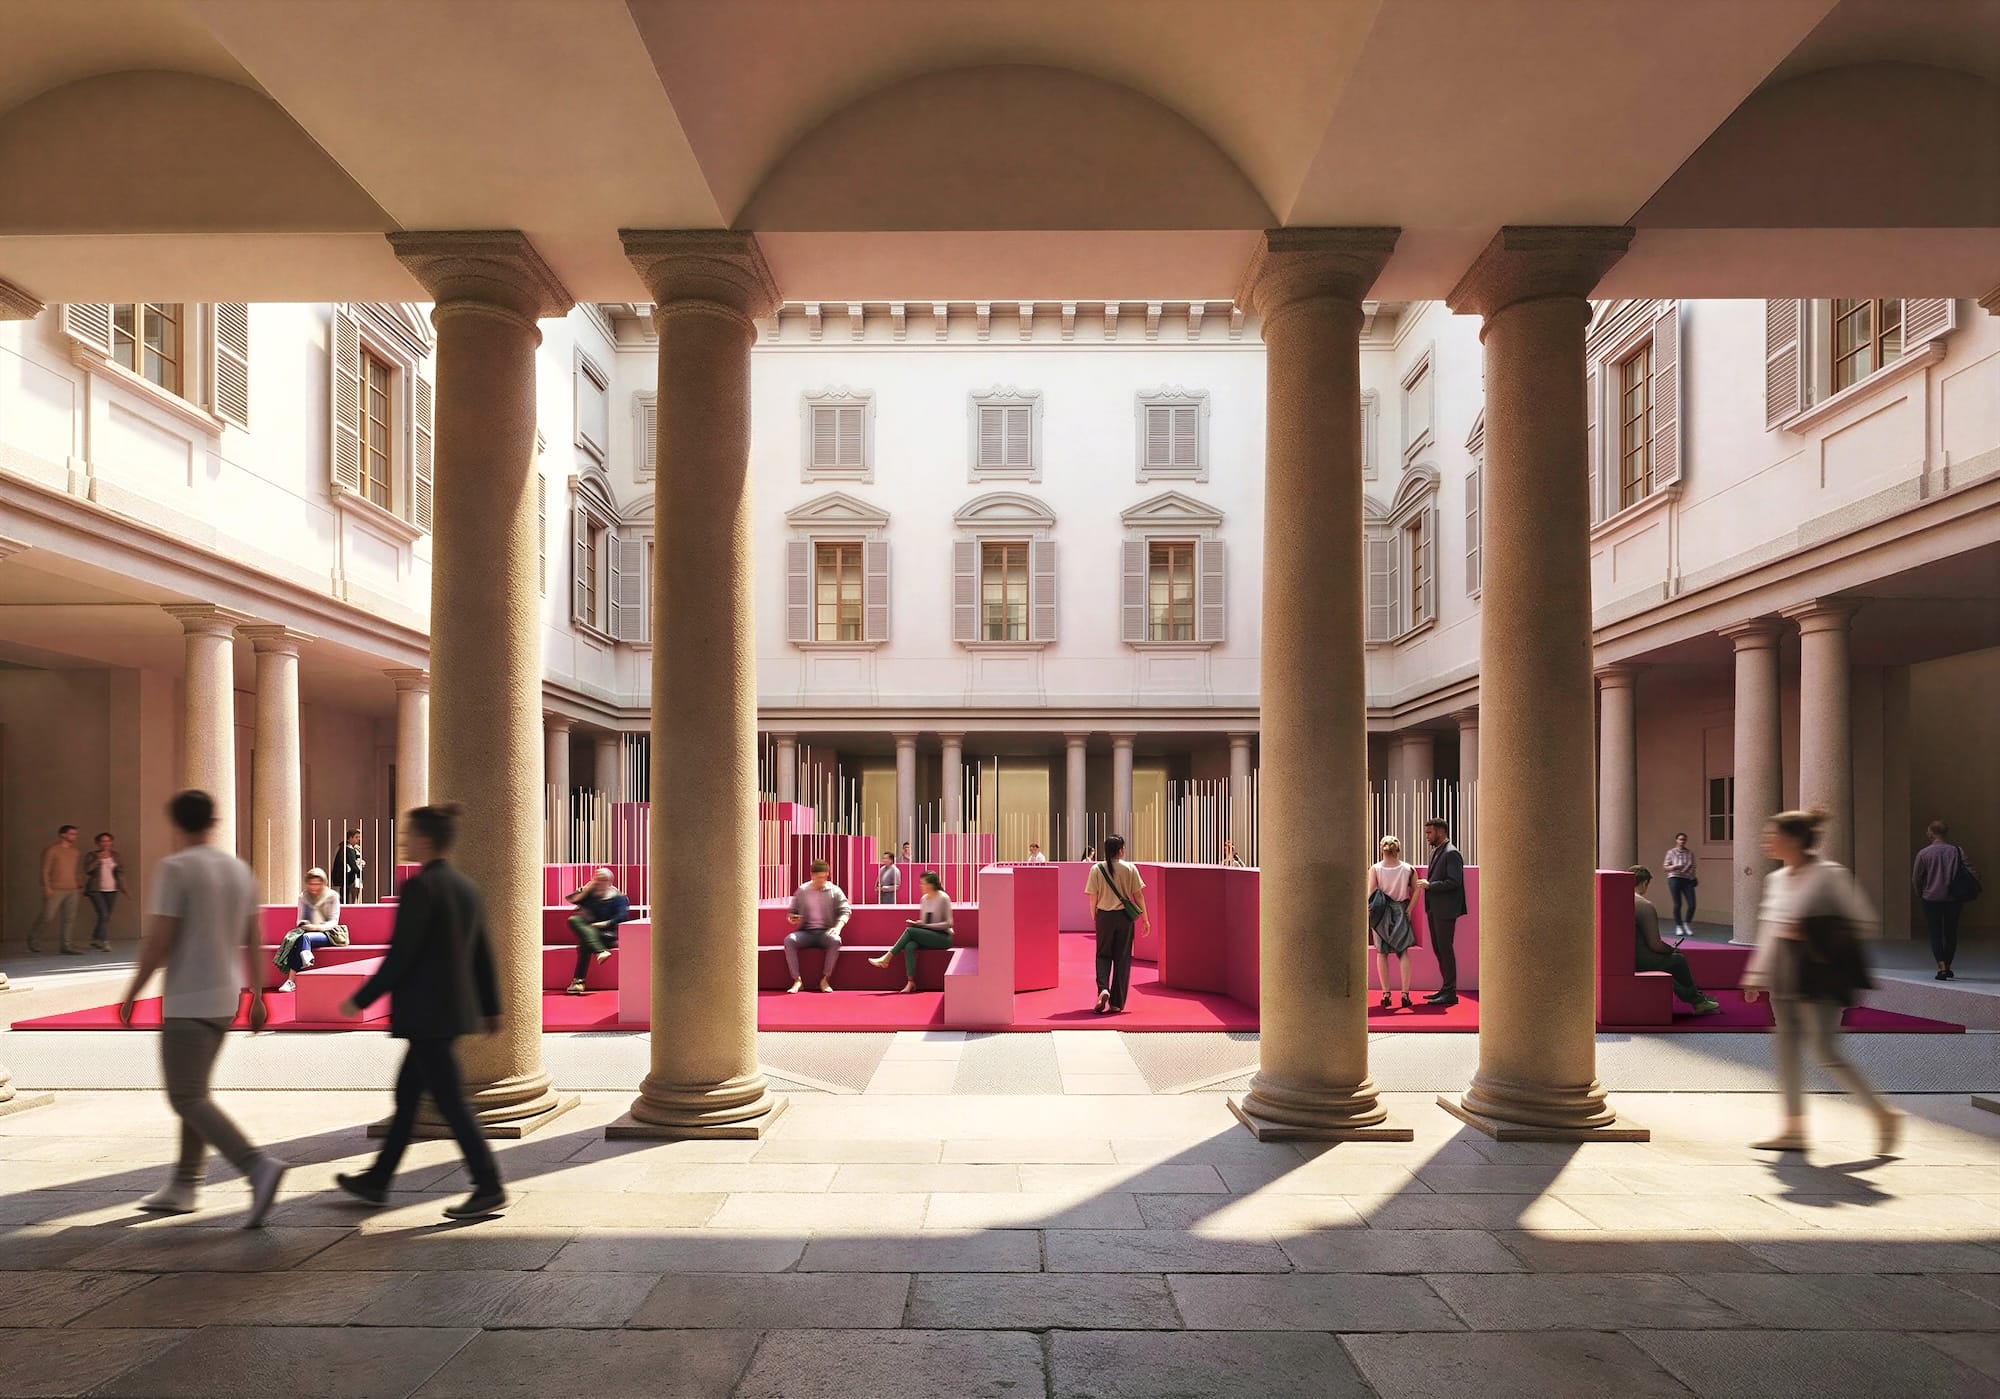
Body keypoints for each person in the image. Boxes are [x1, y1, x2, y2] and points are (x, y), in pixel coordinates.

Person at [116, 790, 289, 1225]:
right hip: (225, 996)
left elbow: (160, 941)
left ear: (177, 823)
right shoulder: (238, 870)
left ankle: (255, 1166)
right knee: (196, 1092)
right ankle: (185, 1185)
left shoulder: (176, 869)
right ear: (213, 820)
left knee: (186, 1095)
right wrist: (257, 999)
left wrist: (133, 990)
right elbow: (255, 937)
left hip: (188, 996)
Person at [334, 802, 508, 1220]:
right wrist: (490, 1007)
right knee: (409, 1097)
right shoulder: (467, 888)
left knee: (447, 1100)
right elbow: (482, 953)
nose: (405, 841)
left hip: (427, 1013)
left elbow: (401, 956)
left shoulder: (419, 888)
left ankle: (488, 1184)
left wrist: (360, 998)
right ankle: (377, 1180)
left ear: (427, 840)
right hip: (449, 1012)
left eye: (410, 834)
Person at [1742, 808, 1901, 1156]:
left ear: (1795, 839)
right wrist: (1755, 974)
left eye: (1774, 834)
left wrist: (1813, 930)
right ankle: (1793, 1128)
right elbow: (1769, 929)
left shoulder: (1829, 875)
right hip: (1785, 970)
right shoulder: (1777, 879)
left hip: (1820, 970)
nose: (1766, 839)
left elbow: (1863, 920)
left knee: (1825, 1050)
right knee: (1784, 1048)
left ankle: (1882, 1114)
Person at [1631, 866, 1720, 1016]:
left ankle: (1697, 998)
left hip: (1622, 956)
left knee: (1669, 962)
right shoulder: (1643, 905)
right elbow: (1655, 944)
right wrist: (1672, 949)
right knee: (1677, 959)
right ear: (1645, 883)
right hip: (1639, 959)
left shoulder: (1617, 899)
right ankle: (1698, 1001)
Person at [1085, 834, 1149, 1015]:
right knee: (1122, 958)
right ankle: (1116, 1003)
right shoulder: (1130, 868)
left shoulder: (1097, 869)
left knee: (1103, 955)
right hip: (1124, 918)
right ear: (1120, 849)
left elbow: (1092, 896)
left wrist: (1095, 917)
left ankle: (1103, 988)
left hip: (1104, 915)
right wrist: (1145, 919)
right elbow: (1138, 895)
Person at [1913, 820, 1980, 981]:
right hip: (1953, 898)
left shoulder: (1924, 853)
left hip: (1931, 898)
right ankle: (1948, 966)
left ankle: (1941, 965)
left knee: (1935, 932)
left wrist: (1919, 893)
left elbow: (1916, 878)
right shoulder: (1957, 851)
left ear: (1931, 833)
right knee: (1951, 932)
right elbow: (1971, 870)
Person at [870, 870, 953, 993]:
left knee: (909, 931)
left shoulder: (943, 897)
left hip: (943, 937)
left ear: (931, 884)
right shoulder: (924, 899)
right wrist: (920, 924)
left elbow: (949, 923)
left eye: (923, 883)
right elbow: (926, 921)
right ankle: (910, 982)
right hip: (929, 934)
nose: (921, 886)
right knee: (909, 946)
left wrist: (925, 925)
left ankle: (887, 957)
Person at [1418, 819, 1466, 1007]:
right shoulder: (1438, 851)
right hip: (1435, 909)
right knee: (1439, 948)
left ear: (1440, 832)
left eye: (1429, 833)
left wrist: (1431, 885)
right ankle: (1445, 989)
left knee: (1445, 949)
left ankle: (1450, 992)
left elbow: (1455, 881)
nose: (1427, 836)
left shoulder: (1452, 853)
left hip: (1446, 910)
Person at [785, 859, 851, 993]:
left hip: (825, 932)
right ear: (812, 876)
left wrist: (837, 928)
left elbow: (846, 911)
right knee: (789, 940)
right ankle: (797, 980)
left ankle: (825, 979)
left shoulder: (834, 891)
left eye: (824, 876)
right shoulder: (803, 890)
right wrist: (792, 919)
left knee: (836, 941)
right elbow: (792, 913)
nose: (822, 880)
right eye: (819, 877)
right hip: (806, 932)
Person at [1367, 836, 1417, 1010]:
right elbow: (1416, 889)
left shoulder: (1375, 869)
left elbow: (1371, 893)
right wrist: (1409, 909)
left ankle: (1386, 994)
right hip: (1401, 910)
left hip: (1381, 913)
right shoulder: (1408, 868)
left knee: (1382, 953)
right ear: (1399, 849)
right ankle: (1405, 994)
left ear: (1382, 849)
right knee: (1403, 953)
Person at [275, 867, 344, 992]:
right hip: (307, 931)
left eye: (318, 884)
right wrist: (305, 925)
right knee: (296, 940)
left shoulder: (332, 896)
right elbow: (299, 919)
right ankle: (295, 974)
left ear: (324, 883)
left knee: (304, 938)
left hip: (327, 932)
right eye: (311, 884)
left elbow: (334, 921)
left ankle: (292, 979)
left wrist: (316, 927)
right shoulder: (303, 896)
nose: (314, 887)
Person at [564, 867, 629, 995]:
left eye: (602, 880)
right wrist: (587, 888)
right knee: (573, 920)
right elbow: (571, 899)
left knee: (584, 945)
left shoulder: (618, 897)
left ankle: (578, 981)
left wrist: (604, 924)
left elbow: (622, 916)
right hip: (590, 931)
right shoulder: (590, 895)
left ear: (610, 882)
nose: (599, 882)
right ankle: (600, 951)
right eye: (597, 879)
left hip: (607, 934)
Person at [29, 824, 84, 955]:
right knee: (48, 916)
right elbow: (45, 870)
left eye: (75, 834)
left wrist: (79, 883)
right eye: (71, 834)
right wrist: (46, 886)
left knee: (69, 918)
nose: (74, 836)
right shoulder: (52, 850)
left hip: (72, 889)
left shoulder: (75, 852)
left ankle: (67, 945)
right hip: (55, 888)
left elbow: (75, 870)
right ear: (63, 835)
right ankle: (33, 939)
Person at [81, 830, 130, 953]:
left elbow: (120, 873)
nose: (105, 843)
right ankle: (104, 941)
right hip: (95, 889)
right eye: (103, 841)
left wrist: (124, 888)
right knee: (103, 914)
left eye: (108, 841)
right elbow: (87, 870)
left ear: (111, 842)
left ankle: (95, 938)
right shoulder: (92, 855)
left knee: (105, 916)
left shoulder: (115, 856)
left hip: (111, 889)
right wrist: (98, 859)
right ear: (98, 843)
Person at [1663, 832, 1698, 937]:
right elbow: (1665, 867)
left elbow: (1693, 866)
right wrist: (1675, 867)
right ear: (1676, 840)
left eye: (1684, 839)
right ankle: (1678, 925)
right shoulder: (1671, 852)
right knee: (1678, 903)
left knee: (1692, 904)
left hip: (1687, 879)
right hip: (1674, 878)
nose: (1682, 841)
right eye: (1680, 839)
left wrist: (1690, 872)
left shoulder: (1690, 853)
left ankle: (1686, 923)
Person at [334, 828, 366, 905]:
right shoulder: (348, 848)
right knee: (351, 898)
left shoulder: (351, 848)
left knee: (349, 897)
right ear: (350, 838)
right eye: (356, 837)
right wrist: (360, 872)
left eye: (359, 837)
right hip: (349, 877)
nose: (359, 839)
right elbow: (352, 864)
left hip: (349, 877)